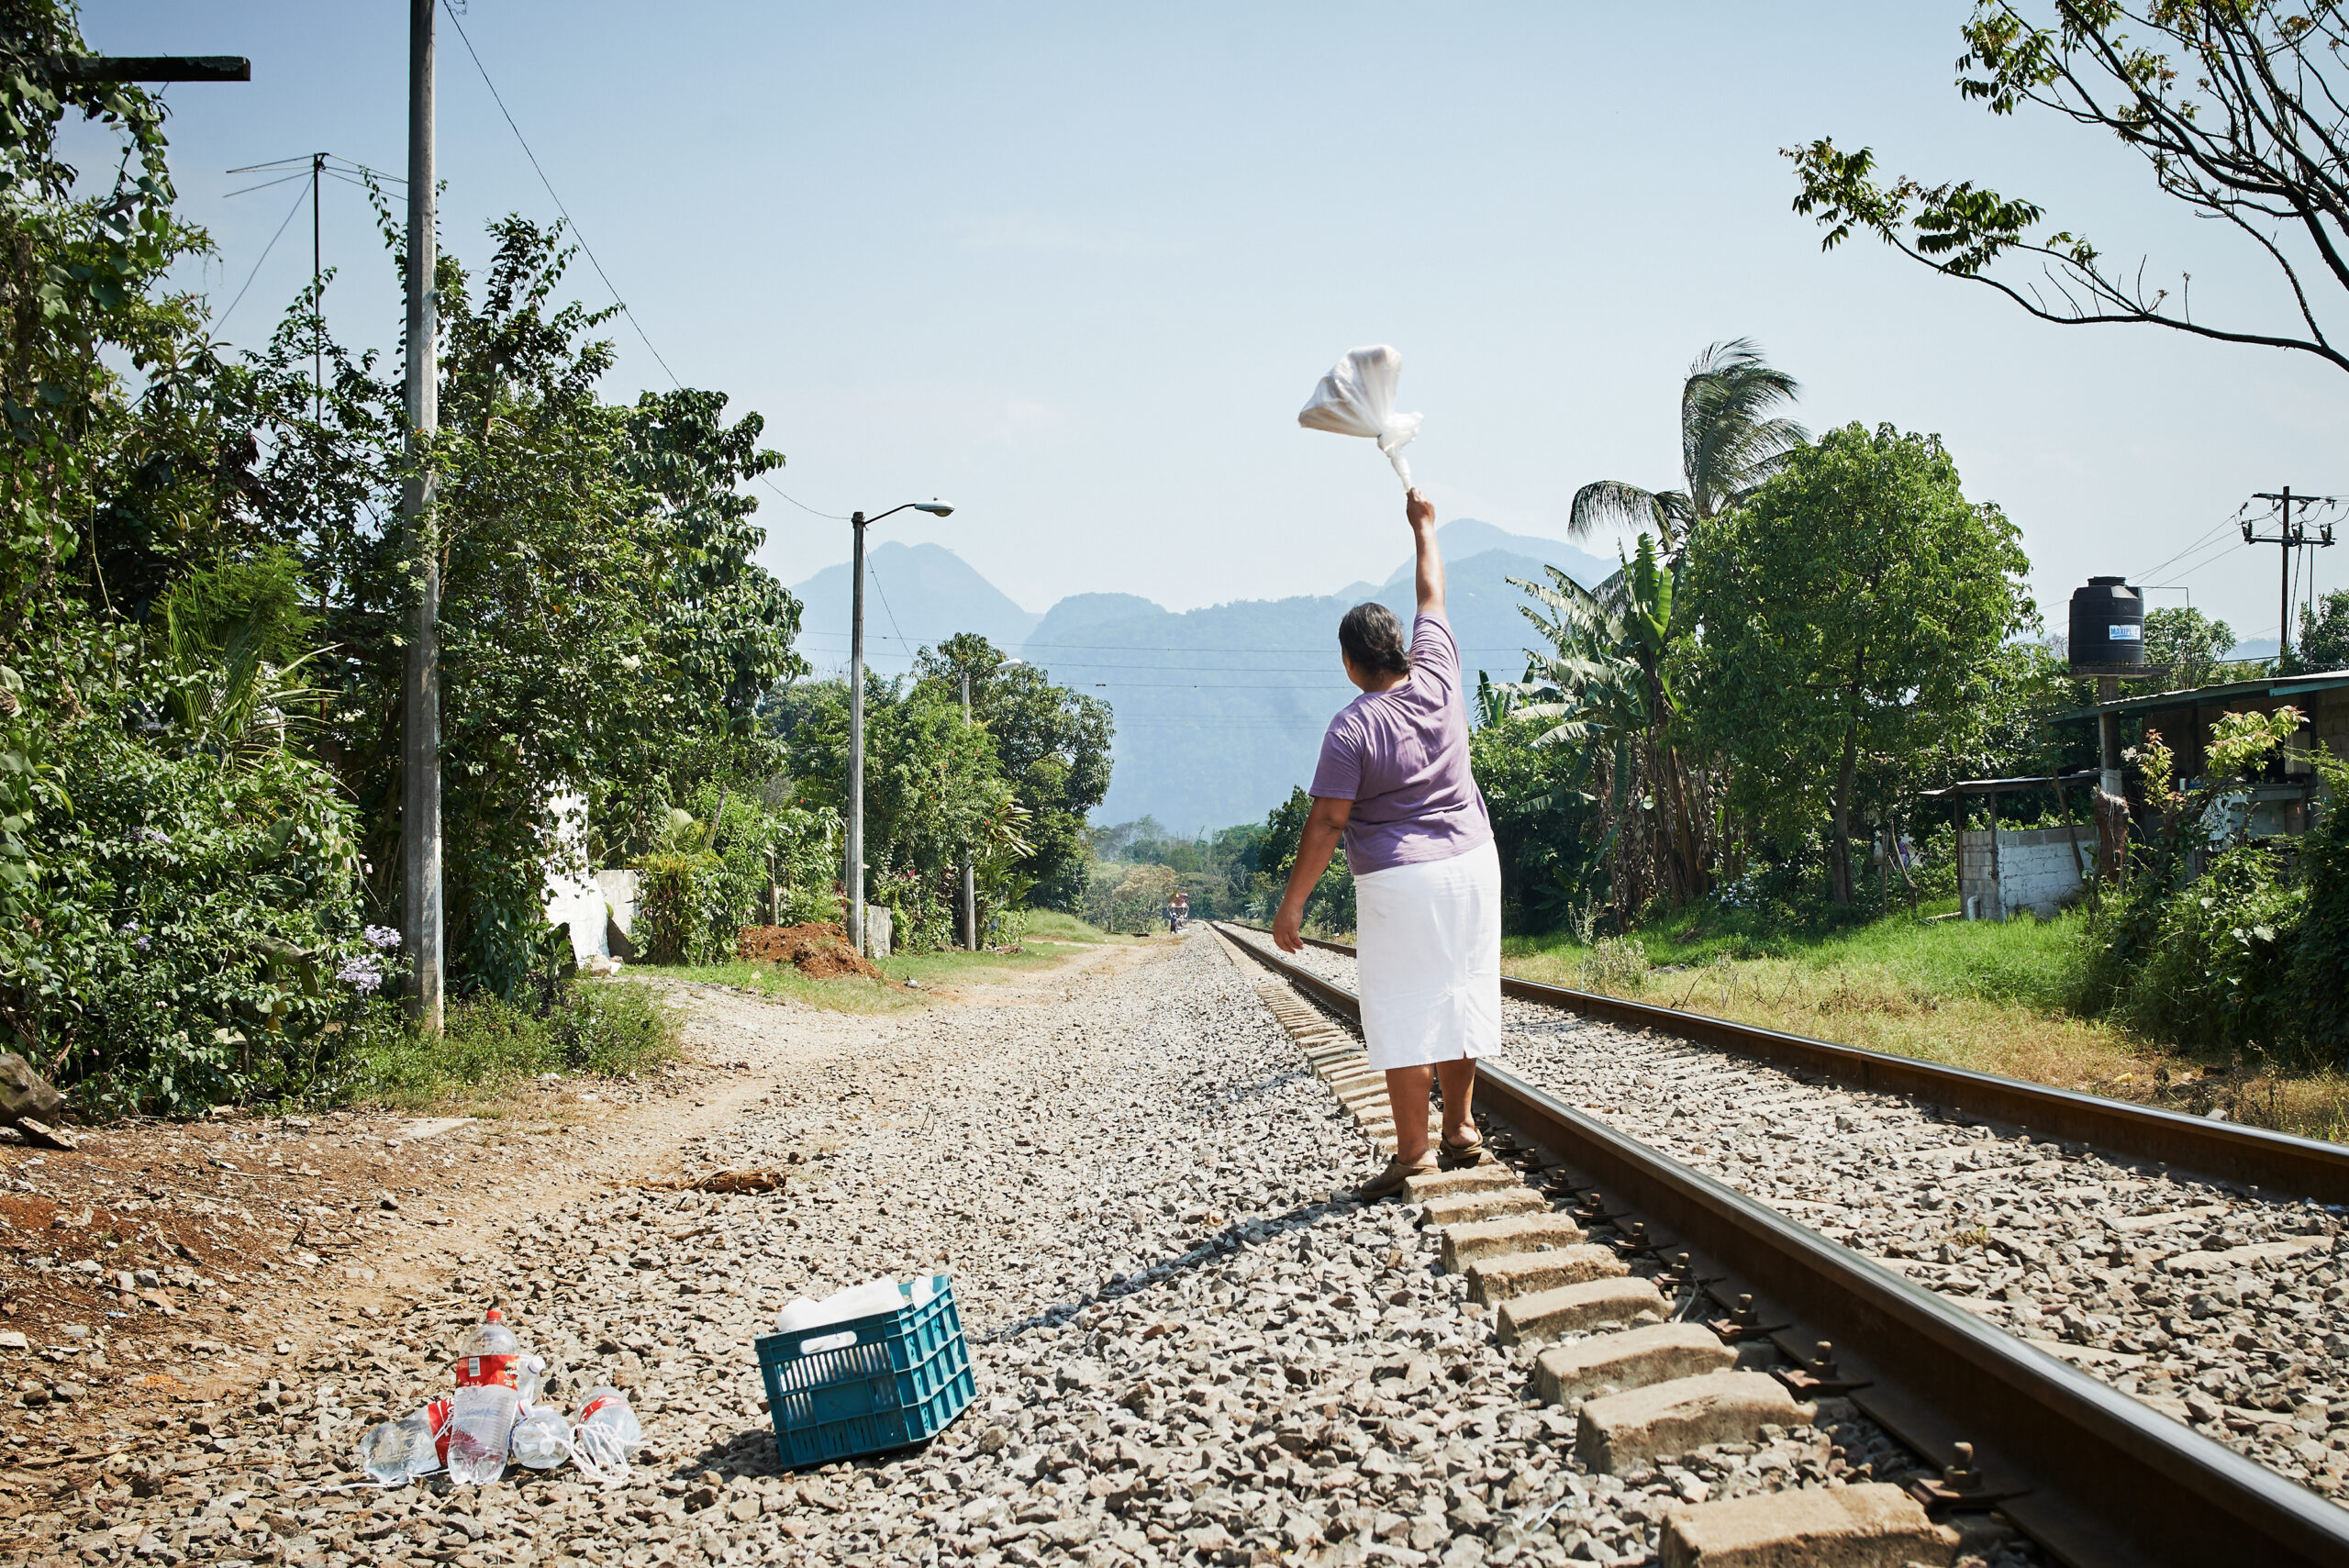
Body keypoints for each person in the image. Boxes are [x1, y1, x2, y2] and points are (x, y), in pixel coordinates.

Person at [1274, 487, 1499, 1198]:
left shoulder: (1351, 728)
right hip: (1473, 862)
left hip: (1402, 878)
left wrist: (1293, 905)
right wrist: (1423, 525)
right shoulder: (1438, 670)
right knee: (1460, 990)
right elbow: (1431, 588)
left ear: (1349, 663)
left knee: (1404, 1003)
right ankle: (1460, 1130)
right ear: (1399, 646)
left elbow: (1329, 821)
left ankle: (1414, 1150)